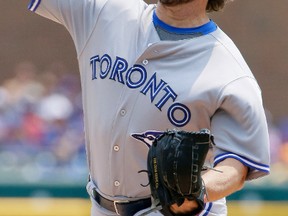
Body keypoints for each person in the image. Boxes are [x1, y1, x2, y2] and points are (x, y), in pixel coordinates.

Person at [27, 0, 270, 215]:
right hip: (100, 206)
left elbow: (236, 167)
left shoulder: (230, 73)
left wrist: (200, 190)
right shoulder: (105, 11)